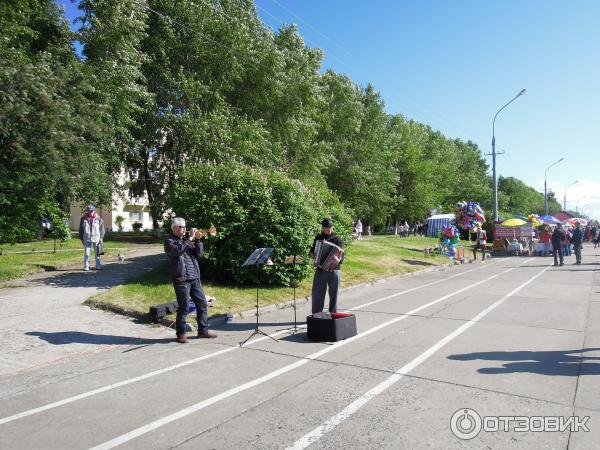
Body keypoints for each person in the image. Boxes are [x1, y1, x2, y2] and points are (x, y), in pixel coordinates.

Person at [164, 217, 217, 343]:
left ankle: (203, 331)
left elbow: (198, 255)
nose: (184, 229)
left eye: (184, 227)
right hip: (181, 279)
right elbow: (177, 251)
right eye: (181, 227)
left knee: (202, 304)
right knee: (184, 307)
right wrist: (190, 239)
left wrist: (198, 241)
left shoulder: (186, 241)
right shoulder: (169, 241)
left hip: (194, 278)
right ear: (174, 228)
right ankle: (181, 334)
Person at [309, 218, 344, 314]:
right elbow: (312, 251)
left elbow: (342, 255)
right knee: (317, 293)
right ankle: (316, 314)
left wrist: (338, 260)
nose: (328, 230)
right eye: (326, 228)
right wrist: (312, 255)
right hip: (320, 269)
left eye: (330, 228)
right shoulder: (319, 237)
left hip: (334, 269)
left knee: (334, 294)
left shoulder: (337, 239)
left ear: (332, 227)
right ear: (322, 228)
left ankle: (333, 314)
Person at [78, 205, 105, 271]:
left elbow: (102, 230)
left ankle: (98, 265)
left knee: (97, 253)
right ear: (87, 211)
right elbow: (81, 230)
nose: (90, 212)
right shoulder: (83, 218)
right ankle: (86, 266)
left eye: (91, 211)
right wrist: (81, 238)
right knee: (87, 253)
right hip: (86, 238)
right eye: (89, 211)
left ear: (94, 210)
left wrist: (101, 238)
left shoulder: (99, 218)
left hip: (96, 238)